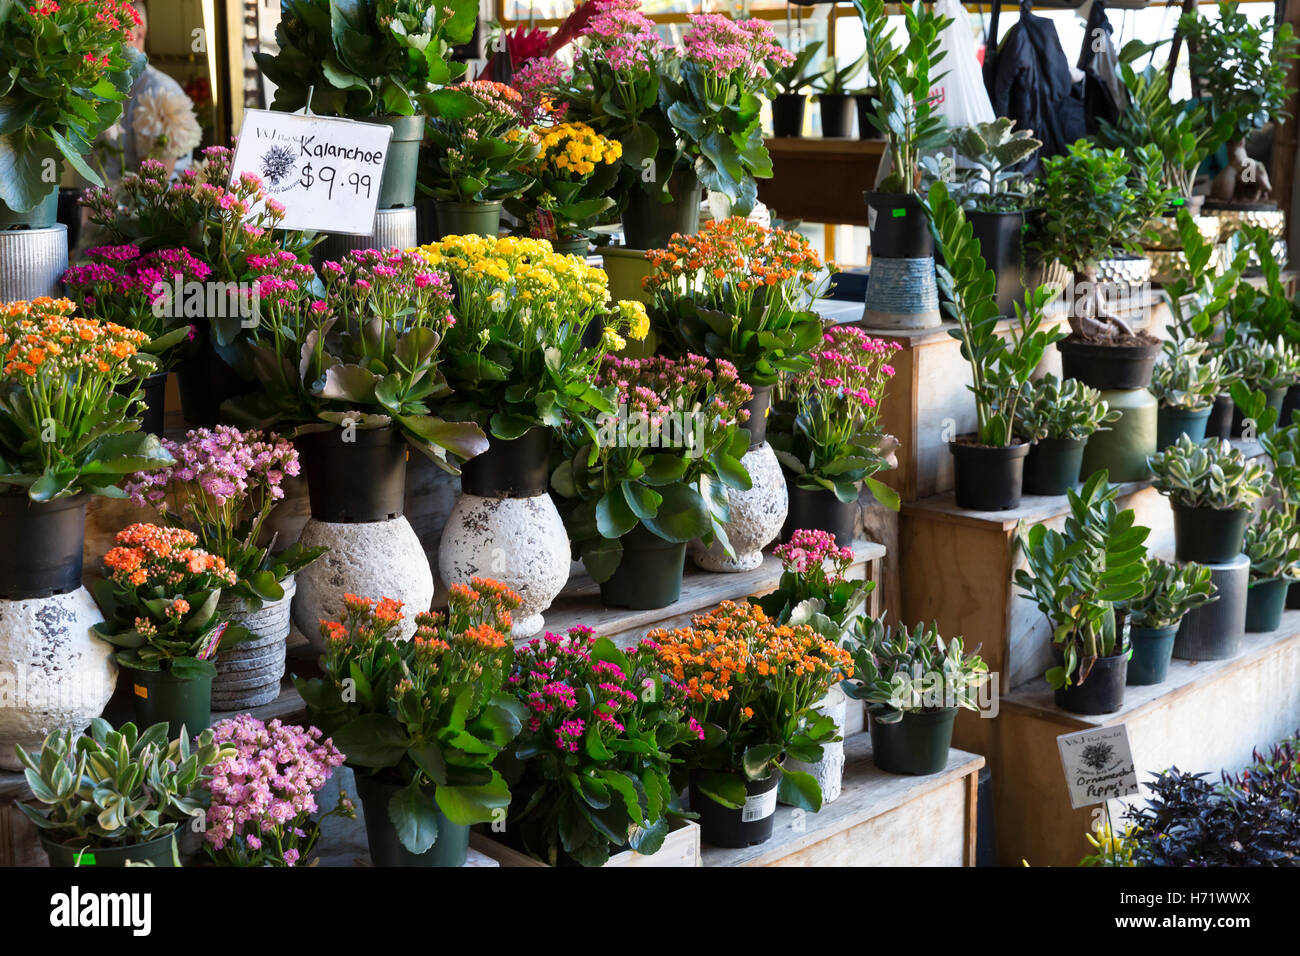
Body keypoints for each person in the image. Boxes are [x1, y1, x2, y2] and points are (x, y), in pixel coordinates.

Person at [117, 1, 203, 179]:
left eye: (116, 28)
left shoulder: (159, 90)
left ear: (139, 33)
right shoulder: (108, 86)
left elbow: (155, 184)